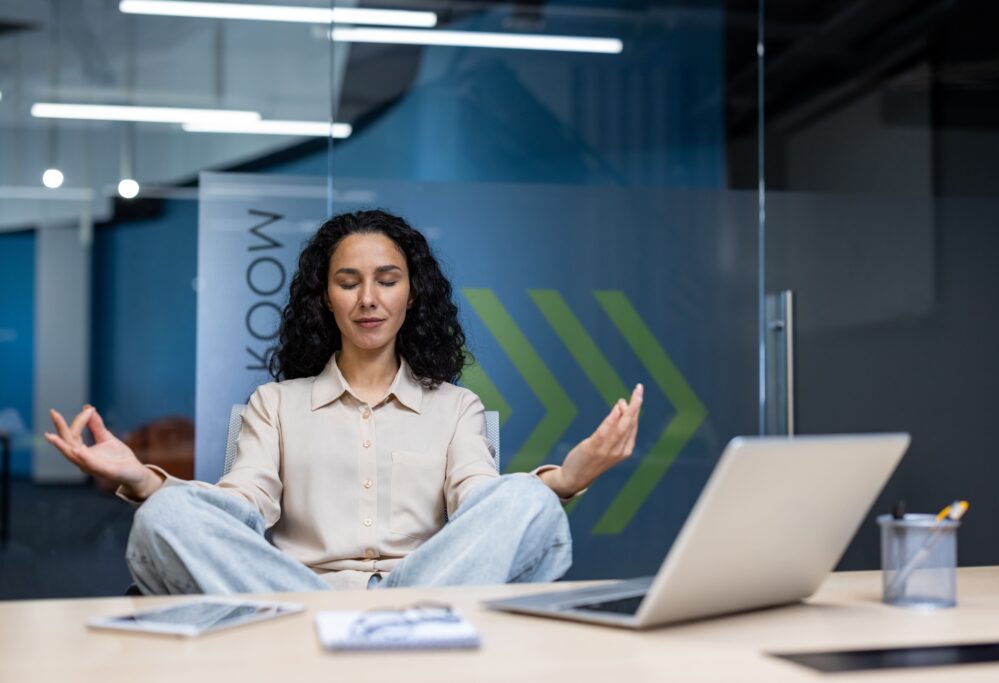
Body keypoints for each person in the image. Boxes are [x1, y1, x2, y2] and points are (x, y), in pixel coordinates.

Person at [45, 210, 643, 595]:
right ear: (325, 299)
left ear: (413, 295)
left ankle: (399, 629)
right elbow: (241, 506)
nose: (369, 299)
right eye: (348, 281)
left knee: (523, 497)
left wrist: (566, 479)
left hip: (425, 593)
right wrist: (142, 481)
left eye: (388, 279)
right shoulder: (274, 403)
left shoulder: (455, 407)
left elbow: (481, 503)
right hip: (295, 597)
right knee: (162, 518)